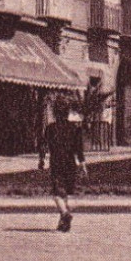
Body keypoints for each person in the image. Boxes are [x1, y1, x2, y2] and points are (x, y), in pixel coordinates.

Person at [38, 99, 86, 232]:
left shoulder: (50, 128)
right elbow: (79, 149)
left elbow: (43, 146)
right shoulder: (75, 128)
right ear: (67, 113)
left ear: (55, 113)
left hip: (57, 163)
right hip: (70, 164)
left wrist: (42, 160)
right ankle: (63, 223)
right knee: (66, 193)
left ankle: (65, 214)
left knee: (57, 193)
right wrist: (82, 164)